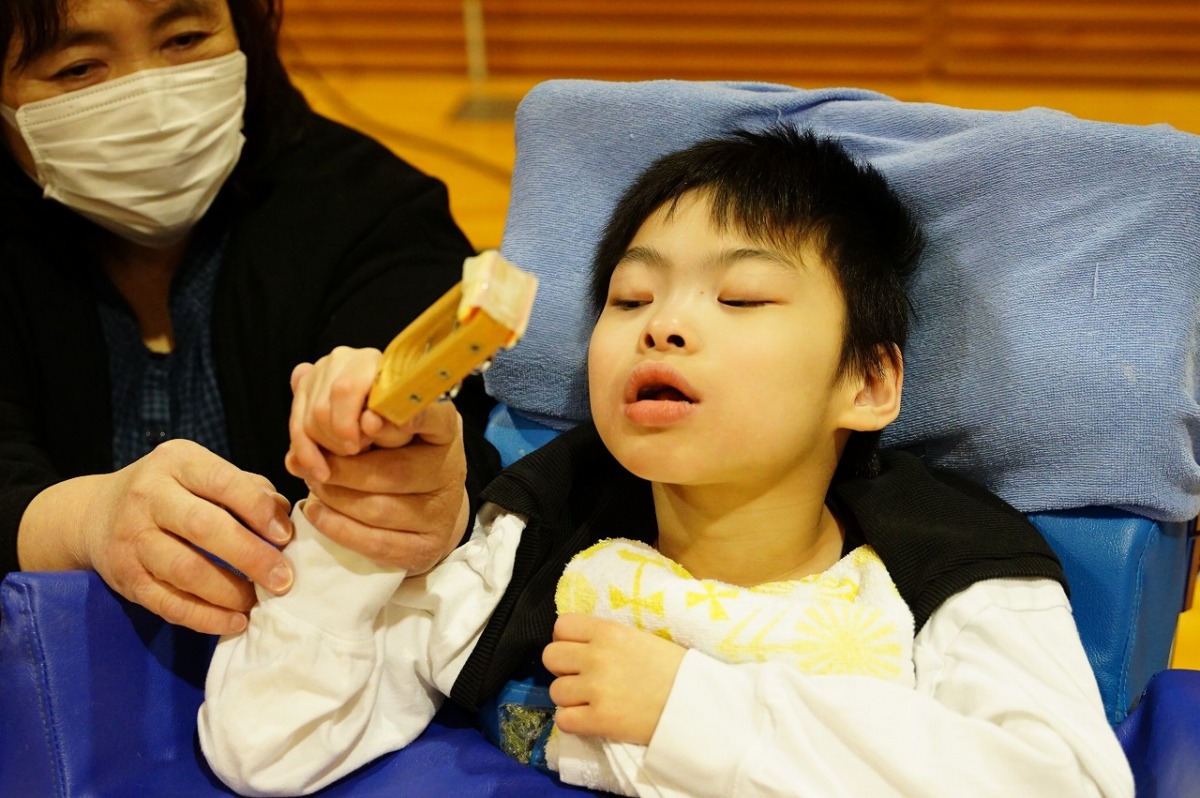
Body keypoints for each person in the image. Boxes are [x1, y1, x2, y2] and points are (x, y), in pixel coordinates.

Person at [199, 127, 1134, 797]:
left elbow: (1061, 783)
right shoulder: (535, 545)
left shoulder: (948, 568)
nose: (666, 322)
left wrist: (691, 708)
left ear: (870, 383)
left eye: (744, 297)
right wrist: (354, 525)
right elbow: (266, 748)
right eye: (630, 294)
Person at [0, 0, 500, 636]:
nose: (150, 104)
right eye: (76, 69)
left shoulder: (372, 209)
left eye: (183, 38)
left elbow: (488, 449)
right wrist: (76, 523)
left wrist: (438, 496)